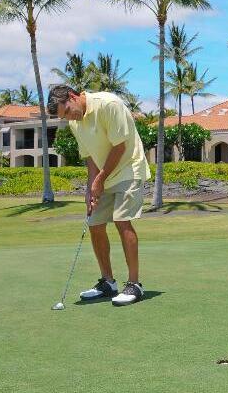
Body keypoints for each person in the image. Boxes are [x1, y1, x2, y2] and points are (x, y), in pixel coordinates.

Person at [47, 85, 151, 307]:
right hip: (104, 174)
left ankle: (134, 284)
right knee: (94, 223)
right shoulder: (76, 123)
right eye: (62, 117)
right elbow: (91, 158)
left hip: (128, 168)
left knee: (122, 221)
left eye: (66, 112)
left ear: (72, 97)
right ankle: (108, 282)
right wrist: (90, 189)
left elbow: (120, 147)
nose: (68, 119)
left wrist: (100, 180)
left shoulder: (108, 104)